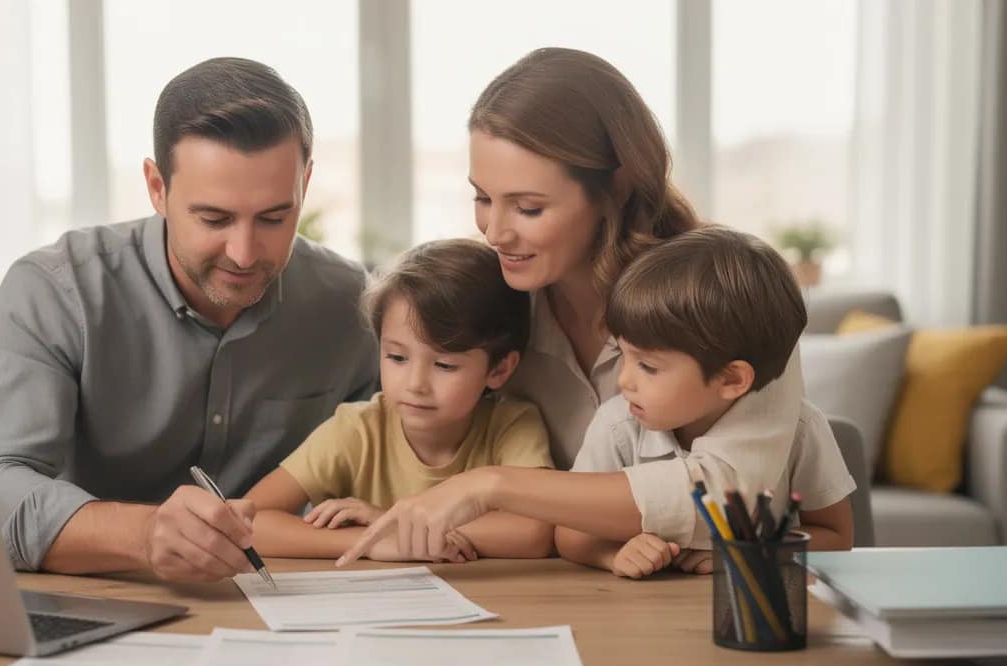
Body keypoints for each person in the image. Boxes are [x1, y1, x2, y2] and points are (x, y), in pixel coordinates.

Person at [338, 48, 807, 567]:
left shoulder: (723, 296)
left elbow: (733, 495)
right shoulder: (492, 306)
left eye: (528, 207)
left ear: (615, 187)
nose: (494, 232)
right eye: (482, 198)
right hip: (548, 590)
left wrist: (493, 486)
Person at [0, 57, 377, 580]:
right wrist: (143, 535)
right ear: (157, 187)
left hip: (292, 598)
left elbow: (402, 453)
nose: (245, 253)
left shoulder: (351, 304)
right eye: (214, 218)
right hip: (96, 597)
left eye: (274, 217)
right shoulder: (54, 291)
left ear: (305, 184)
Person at [556, 227, 855, 578]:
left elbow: (837, 536)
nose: (624, 381)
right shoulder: (617, 425)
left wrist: (753, 555)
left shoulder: (801, 429)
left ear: (731, 379)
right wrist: (613, 553)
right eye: (623, 355)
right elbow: (570, 535)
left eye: (648, 366)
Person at [245, 239, 555, 561]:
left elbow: (535, 533)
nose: (415, 384)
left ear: (499, 369)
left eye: (445, 365)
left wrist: (389, 522)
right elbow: (249, 521)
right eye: (397, 357)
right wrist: (374, 542)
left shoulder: (513, 426)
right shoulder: (356, 430)